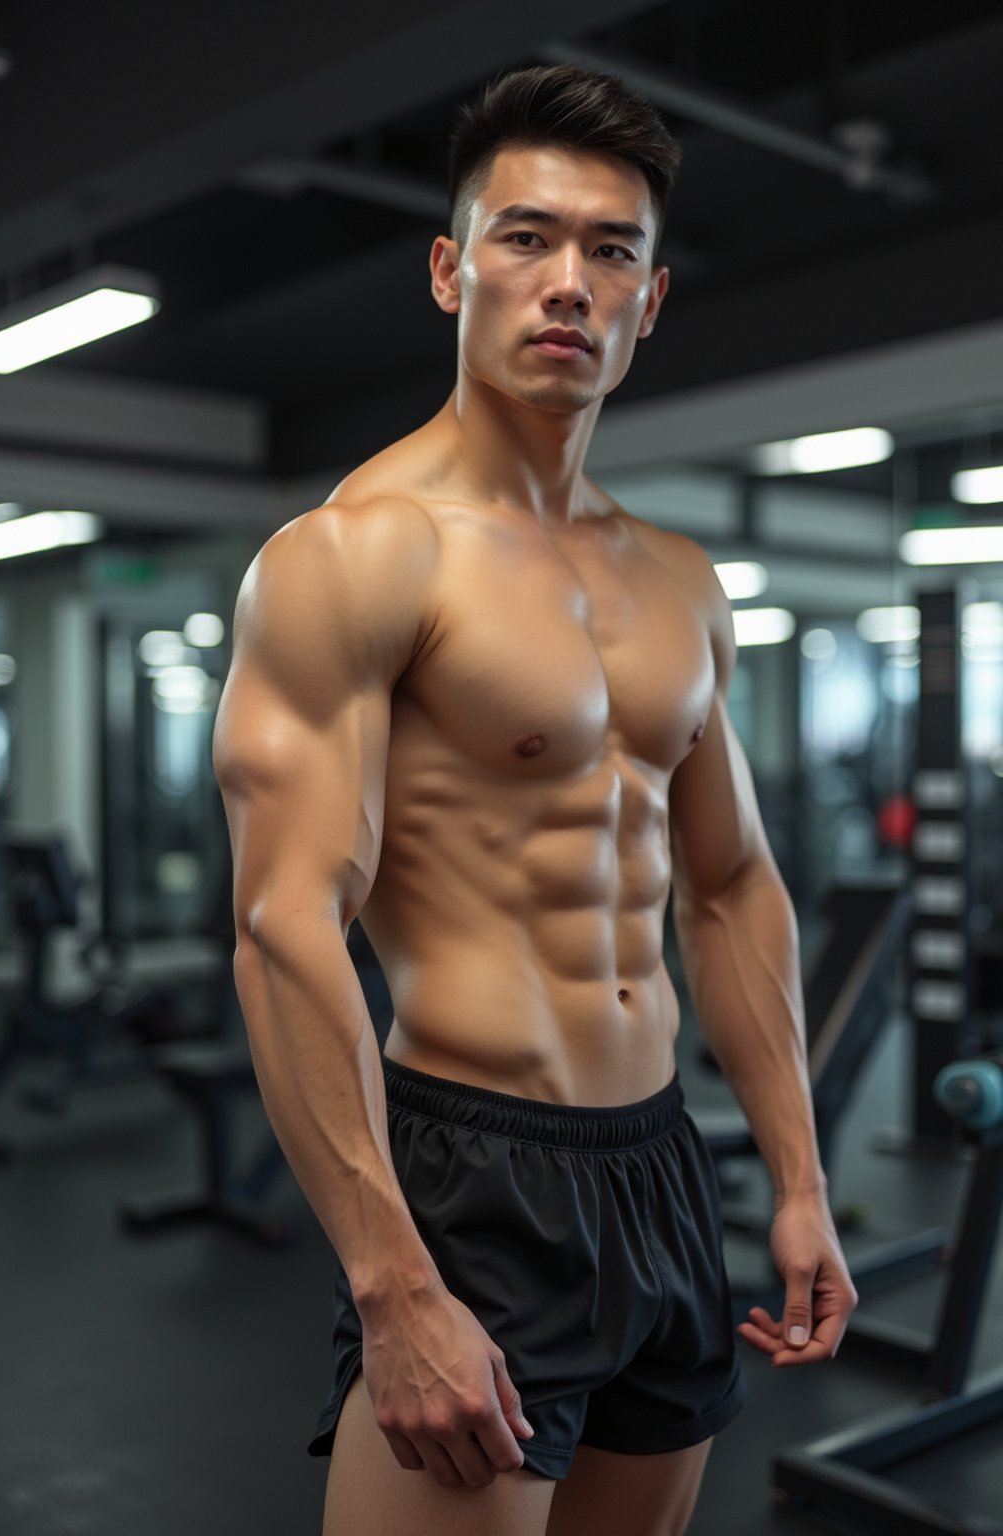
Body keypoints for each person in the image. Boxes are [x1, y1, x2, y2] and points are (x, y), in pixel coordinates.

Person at [213, 62, 857, 1536]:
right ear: (450, 269)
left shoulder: (685, 585)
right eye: (524, 238)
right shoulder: (354, 557)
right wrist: (393, 1282)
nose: (568, 283)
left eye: (610, 250)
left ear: (653, 297)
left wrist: (801, 1179)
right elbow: (286, 921)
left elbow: (728, 885)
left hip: (662, 1162)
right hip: (472, 1180)